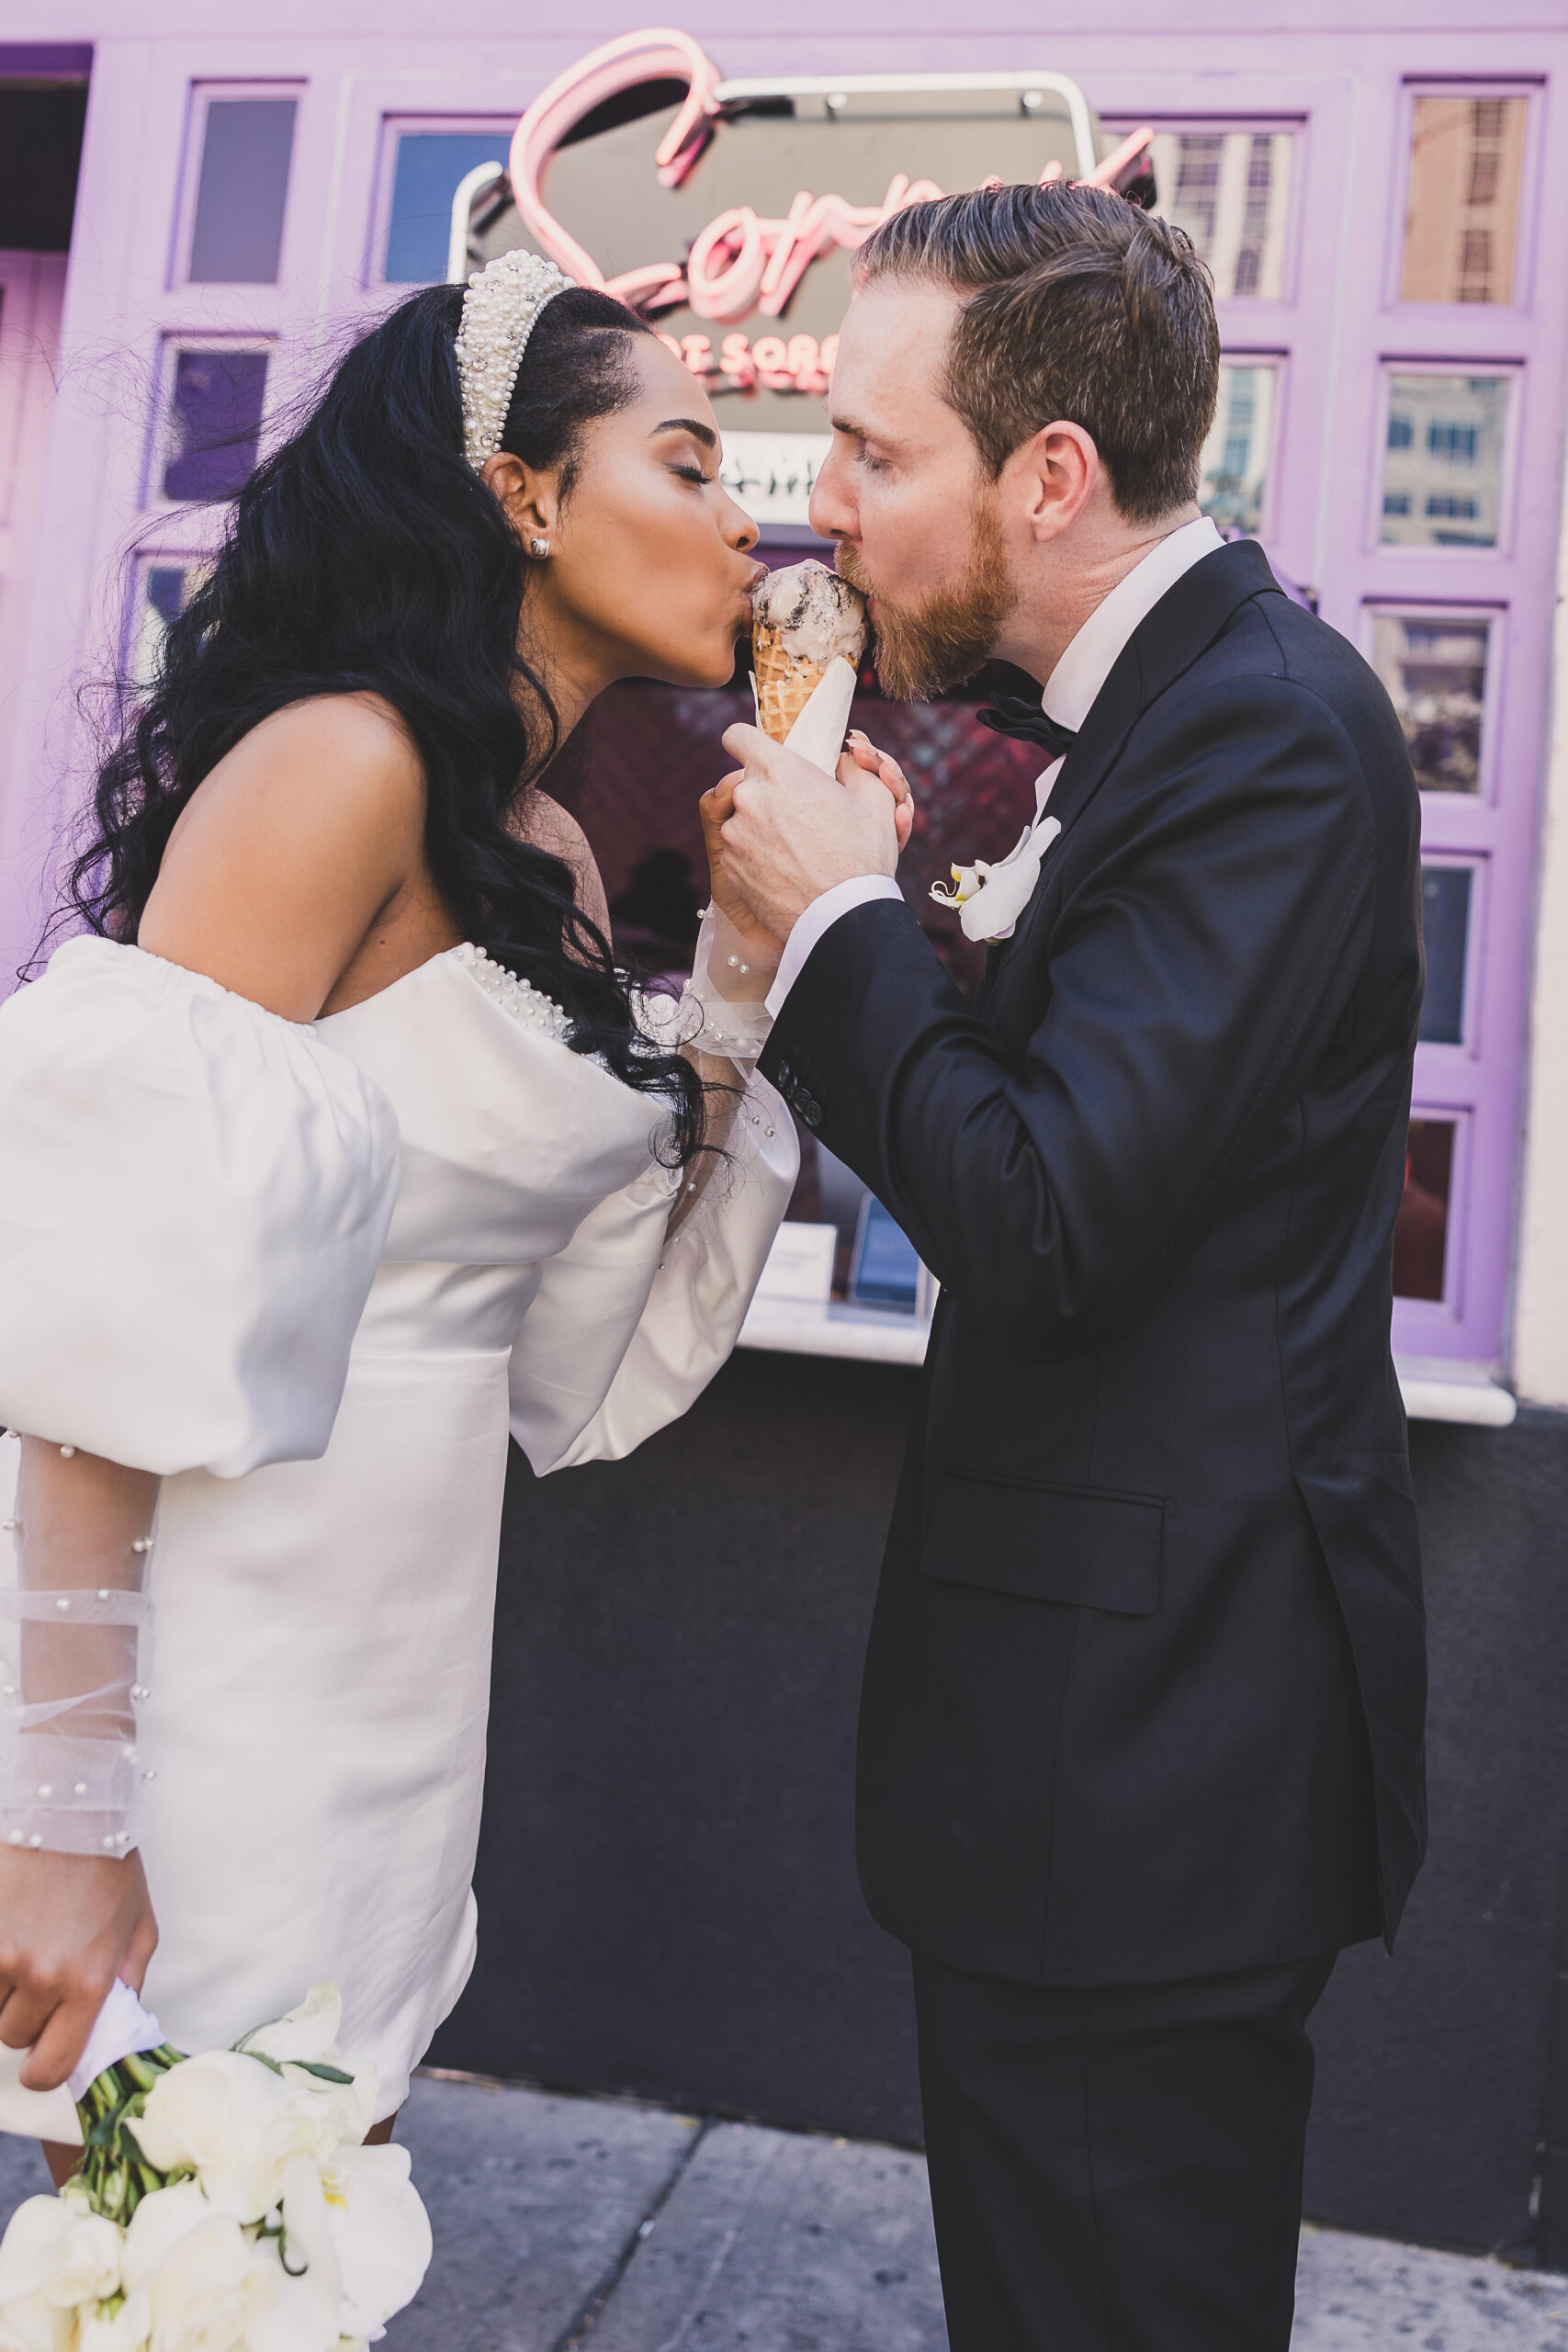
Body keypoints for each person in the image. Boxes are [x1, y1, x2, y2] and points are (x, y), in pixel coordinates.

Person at [0, 252, 907, 2172]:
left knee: (321, 2210)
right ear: (520, 492)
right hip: (219, 1654)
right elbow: (90, 1309)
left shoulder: (554, 853)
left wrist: (757, 963)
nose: (738, 519)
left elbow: (563, 1353)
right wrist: (65, 1813)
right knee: (175, 2232)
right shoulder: (339, 770)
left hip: (405, 1665)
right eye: (681, 458)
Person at [719, 184, 1427, 2352]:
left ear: (1046, 475)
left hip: (1144, 1759)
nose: (820, 508)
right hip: (1095, 1745)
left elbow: (1042, 1221)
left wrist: (843, 930)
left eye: (871, 450)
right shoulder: (1149, 723)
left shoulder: (1262, 729)